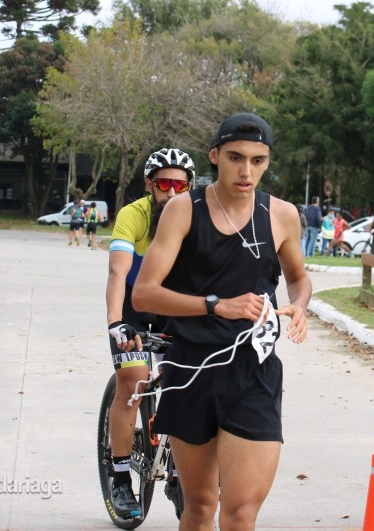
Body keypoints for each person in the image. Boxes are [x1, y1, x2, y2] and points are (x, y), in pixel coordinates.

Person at [131, 112, 311, 531]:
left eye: (257, 160)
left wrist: (300, 305)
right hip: (190, 368)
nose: (246, 171)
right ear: (215, 156)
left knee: (241, 512)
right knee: (199, 507)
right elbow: (144, 293)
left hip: (253, 372)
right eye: (235, 158)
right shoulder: (183, 210)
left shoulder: (282, 215)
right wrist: (215, 305)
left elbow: (299, 278)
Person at [104, 148, 195, 517]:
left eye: (180, 185)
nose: (171, 192)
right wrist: (115, 322)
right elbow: (117, 271)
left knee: (191, 383)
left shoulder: (196, 216)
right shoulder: (133, 215)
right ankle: (120, 479)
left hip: (174, 304)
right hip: (134, 306)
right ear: (149, 185)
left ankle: (179, 471)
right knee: (133, 382)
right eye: (164, 184)